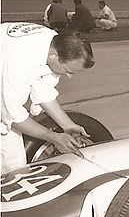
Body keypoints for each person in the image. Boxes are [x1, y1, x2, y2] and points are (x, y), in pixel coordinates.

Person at [1, 23, 95, 174]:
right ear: (54, 56)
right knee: (14, 165)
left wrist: (67, 125)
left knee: (14, 163)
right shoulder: (19, 59)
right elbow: (12, 115)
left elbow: (43, 90)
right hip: (6, 72)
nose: (69, 76)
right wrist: (54, 138)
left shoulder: (54, 43)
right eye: (67, 70)